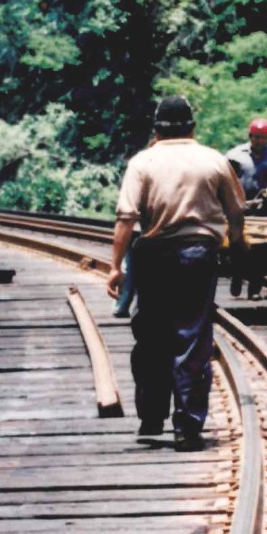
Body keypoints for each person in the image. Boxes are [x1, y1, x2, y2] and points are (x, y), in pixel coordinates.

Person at [108, 96, 246, 452]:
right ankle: (186, 425)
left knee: (152, 334)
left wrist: (114, 267)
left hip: (153, 257)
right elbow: (236, 211)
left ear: (156, 129)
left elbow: (126, 218)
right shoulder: (213, 160)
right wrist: (236, 245)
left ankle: (152, 418)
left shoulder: (143, 161)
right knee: (192, 337)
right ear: (192, 127)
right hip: (198, 257)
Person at [226, 118, 267, 299]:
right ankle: (236, 276)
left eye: (263, 138)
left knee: (261, 250)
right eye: (255, 137)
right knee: (237, 245)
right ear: (250, 136)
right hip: (240, 208)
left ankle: (255, 289)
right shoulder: (234, 155)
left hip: (264, 211)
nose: (258, 141)